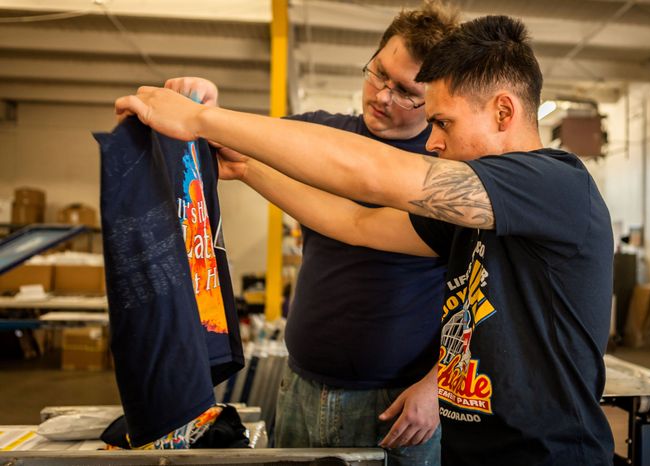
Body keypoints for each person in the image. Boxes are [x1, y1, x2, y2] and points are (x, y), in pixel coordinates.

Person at [116, 14, 615, 465]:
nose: (434, 141)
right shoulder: (474, 215)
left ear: (504, 113)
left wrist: (203, 120)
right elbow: (357, 222)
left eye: (442, 122)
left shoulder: (556, 184)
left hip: (547, 456)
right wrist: (245, 167)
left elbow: (375, 175)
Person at [165, 3, 458, 464]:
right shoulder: (318, 135)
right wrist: (203, 100)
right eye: (378, 73)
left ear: (438, 97)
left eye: (405, 92)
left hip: (399, 404)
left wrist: (437, 386)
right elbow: (232, 136)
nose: (381, 95)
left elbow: (486, 299)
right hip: (301, 385)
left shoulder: (450, 175)